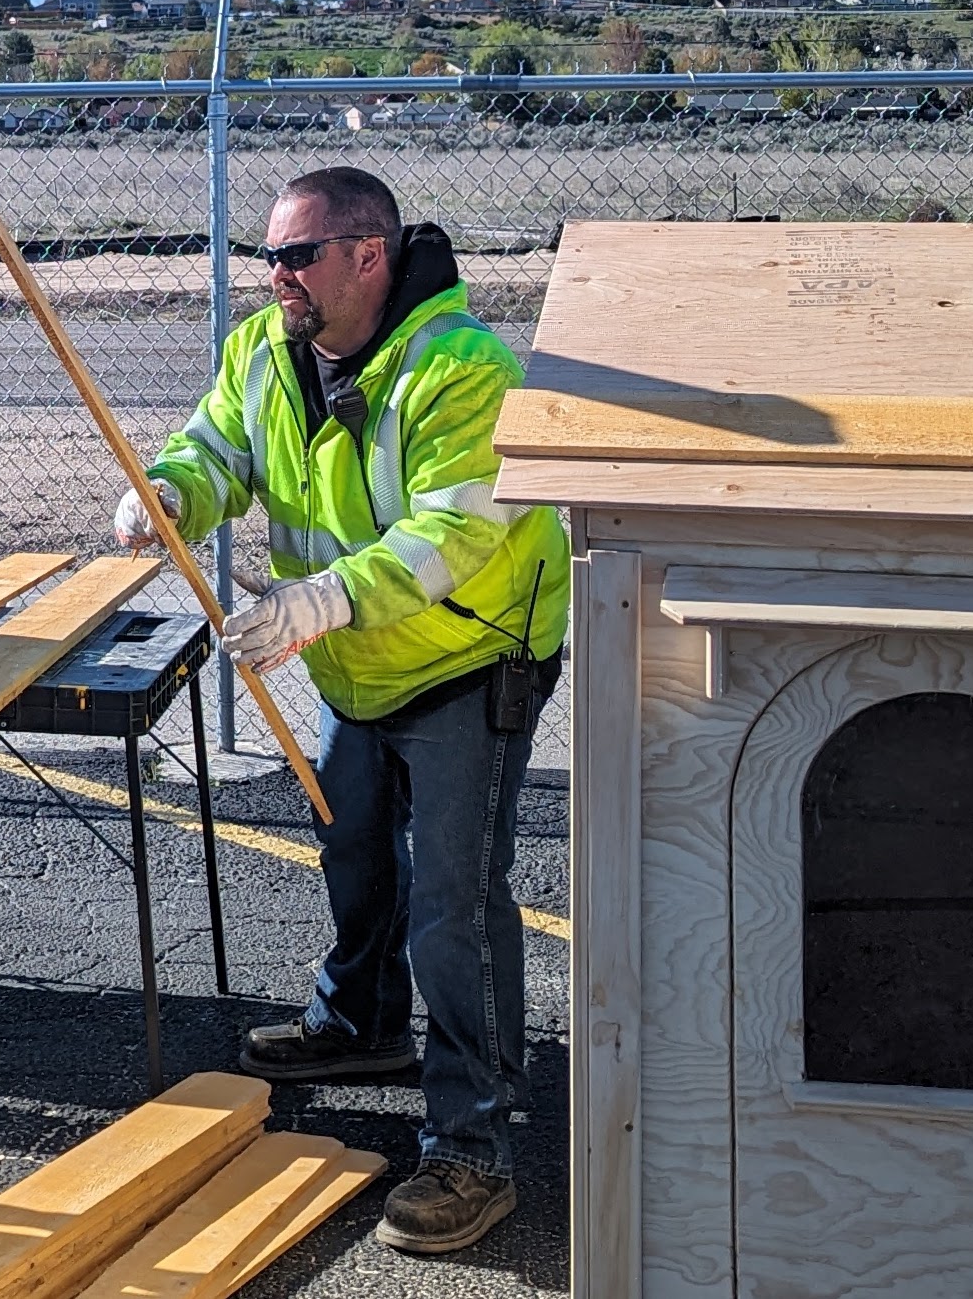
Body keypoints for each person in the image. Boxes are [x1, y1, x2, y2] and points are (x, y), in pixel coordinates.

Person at [113, 166, 568, 1256]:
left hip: (468, 656)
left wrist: (319, 600)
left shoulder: (462, 369)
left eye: (297, 256)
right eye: (268, 256)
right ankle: (362, 1025)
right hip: (353, 662)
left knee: (451, 904)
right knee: (354, 846)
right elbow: (219, 447)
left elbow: (453, 534)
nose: (276, 277)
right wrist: (174, 488)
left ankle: (472, 1140)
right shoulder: (264, 352)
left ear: (369, 256)